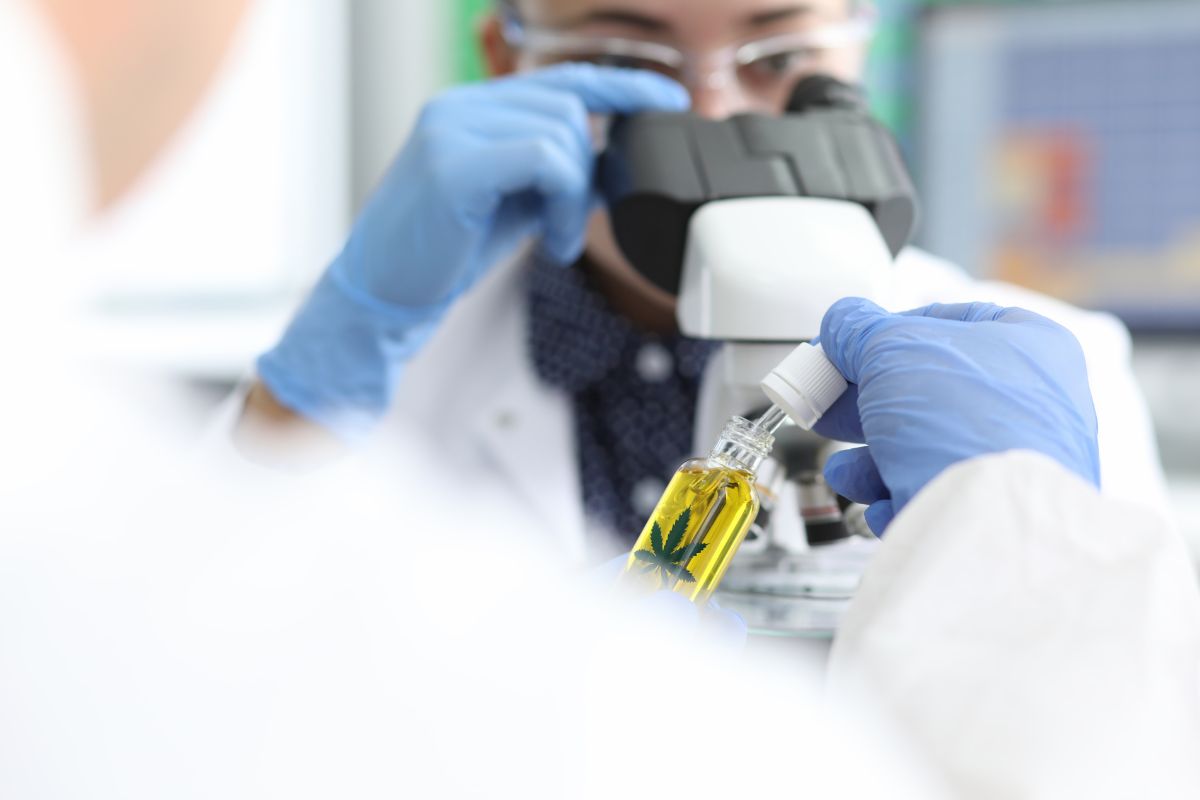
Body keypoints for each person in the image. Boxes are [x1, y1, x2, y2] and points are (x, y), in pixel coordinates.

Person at [243, 0, 1168, 562]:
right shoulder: (375, 367)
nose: (711, 112)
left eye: (779, 60)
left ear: (856, 57)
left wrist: (1027, 541)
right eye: (623, 61)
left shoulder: (1037, 373)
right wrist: (310, 389)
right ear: (505, 63)